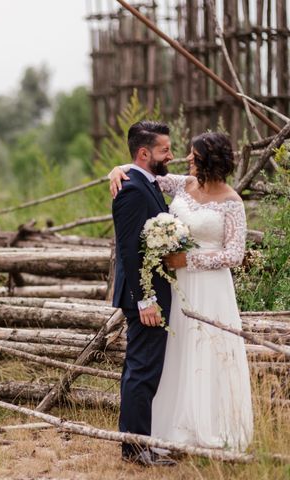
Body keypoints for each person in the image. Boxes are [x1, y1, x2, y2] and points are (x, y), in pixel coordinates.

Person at [109, 131, 253, 456]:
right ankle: (172, 425)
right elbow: (145, 175)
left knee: (208, 351)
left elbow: (235, 254)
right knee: (179, 352)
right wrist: (116, 170)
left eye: (192, 154)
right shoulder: (182, 185)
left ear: (207, 159)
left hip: (212, 287)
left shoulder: (232, 202)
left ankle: (210, 428)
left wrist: (188, 259)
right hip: (180, 286)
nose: (186, 158)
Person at [111, 120, 176, 466]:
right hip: (145, 297)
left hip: (150, 294)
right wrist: (146, 299)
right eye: (165, 149)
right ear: (144, 153)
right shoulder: (134, 189)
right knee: (141, 370)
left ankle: (135, 444)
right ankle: (136, 450)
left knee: (140, 369)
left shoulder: (143, 181)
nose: (171, 154)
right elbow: (129, 249)